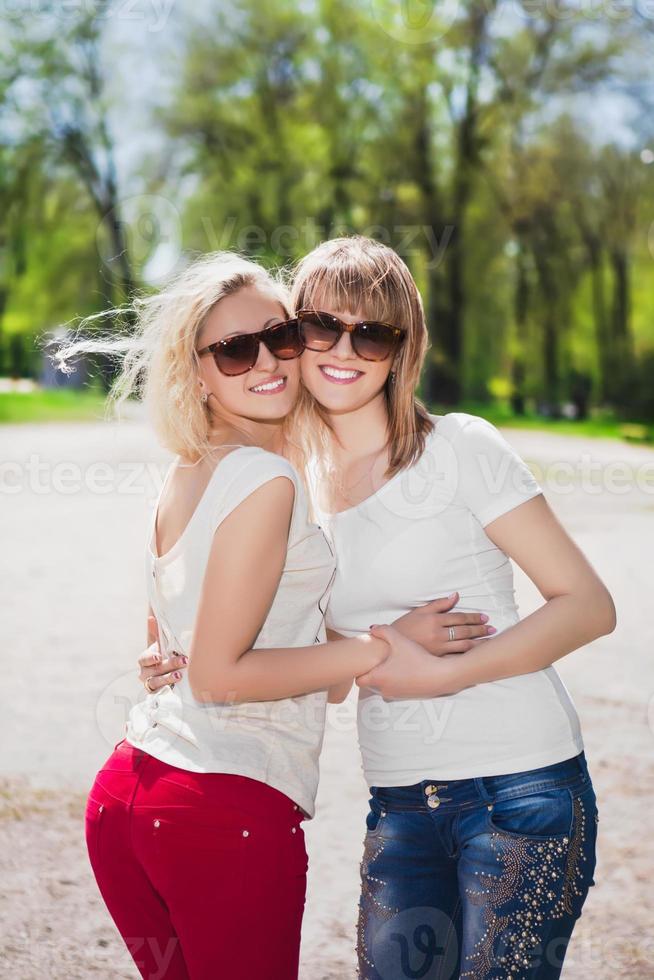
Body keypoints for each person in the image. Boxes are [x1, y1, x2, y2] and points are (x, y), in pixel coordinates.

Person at [143, 236, 615, 979]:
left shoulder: (460, 448)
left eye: (374, 332)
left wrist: (440, 674)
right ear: (291, 340)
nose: (344, 349)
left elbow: (587, 606)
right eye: (321, 326)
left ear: (404, 348)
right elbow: (324, 665)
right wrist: (182, 649)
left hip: (522, 788)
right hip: (399, 800)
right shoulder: (296, 485)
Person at [58, 251, 448, 980]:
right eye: (236, 350)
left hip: (125, 800)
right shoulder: (265, 479)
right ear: (196, 371)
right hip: (220, 809)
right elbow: (217, 675)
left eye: (283, 336)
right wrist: (383, 647)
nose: (267, 361)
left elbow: (168, 646)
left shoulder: (186, 470)